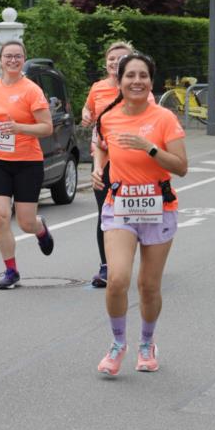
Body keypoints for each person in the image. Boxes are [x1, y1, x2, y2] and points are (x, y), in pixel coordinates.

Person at [92, 53, 187, 376]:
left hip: (158, 206)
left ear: (151, 82)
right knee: (117, 279)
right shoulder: (109, 117)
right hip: (120, 205)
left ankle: (147, 343)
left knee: (148, 285)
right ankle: (118, 344)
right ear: (119, 81)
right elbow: (102, 145)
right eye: (130, 75)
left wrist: (149, 147)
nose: (136, 81)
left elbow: (181, 167)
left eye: (143, 76)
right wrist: (98, 168)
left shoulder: (164, 119)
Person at [0, 40, 54, 288]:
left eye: (17, 56)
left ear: (24, 60)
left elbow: (46, 128)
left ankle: (40, 229)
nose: (12, 60)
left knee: (25, 222)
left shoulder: (31, 90)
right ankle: (11, 271)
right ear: (1, 59)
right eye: (8, 56)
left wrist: (19, 128)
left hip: (27, 162)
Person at [81, 41, 133, 287]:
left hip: (132, 162)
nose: (115, 63)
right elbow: (89, 110)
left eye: (121, 59)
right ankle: (106, 266)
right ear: (106, 63)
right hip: (102, 159)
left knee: (130, 213)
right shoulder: (98, 88)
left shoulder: (138, 88)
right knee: (105, 213)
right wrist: (85, 114)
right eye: (112, 59)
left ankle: (134, 254)